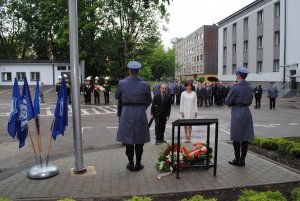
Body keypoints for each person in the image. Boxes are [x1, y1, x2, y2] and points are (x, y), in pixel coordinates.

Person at [115, 61, 152, 172]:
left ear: (129, 71)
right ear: (138, 71)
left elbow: (117, 96)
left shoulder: (122, 83)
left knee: (128, 140)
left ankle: (131, 163)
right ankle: (138, 163)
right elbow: (149, 100)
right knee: (139, 140)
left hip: (126, 112)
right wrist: (142, 107)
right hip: (140, 112)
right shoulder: (145, 84)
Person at [225, 66, 254, 167]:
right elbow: (250, 101)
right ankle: (243, 160)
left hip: (237, 111)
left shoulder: (236, 87)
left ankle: (237, 159)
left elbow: (227, 101)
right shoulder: (250, 86)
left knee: (236, 137)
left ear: (238, 75)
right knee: (245, 137)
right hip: (246, 111)